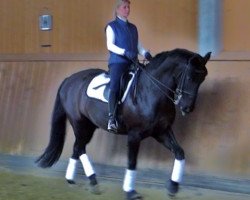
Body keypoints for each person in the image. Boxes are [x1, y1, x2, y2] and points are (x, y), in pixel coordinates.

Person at [106, 0, 153, 133]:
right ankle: (112, 118)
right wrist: (124, 52)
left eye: (128, 7)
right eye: (125, 7)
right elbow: (110, 45)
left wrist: (146, 54)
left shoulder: (133, 28)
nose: (127, 9)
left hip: (132, 62)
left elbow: (138, 46)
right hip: (118, 63)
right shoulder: (111, 26)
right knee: (115, 86)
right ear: (118, 10)